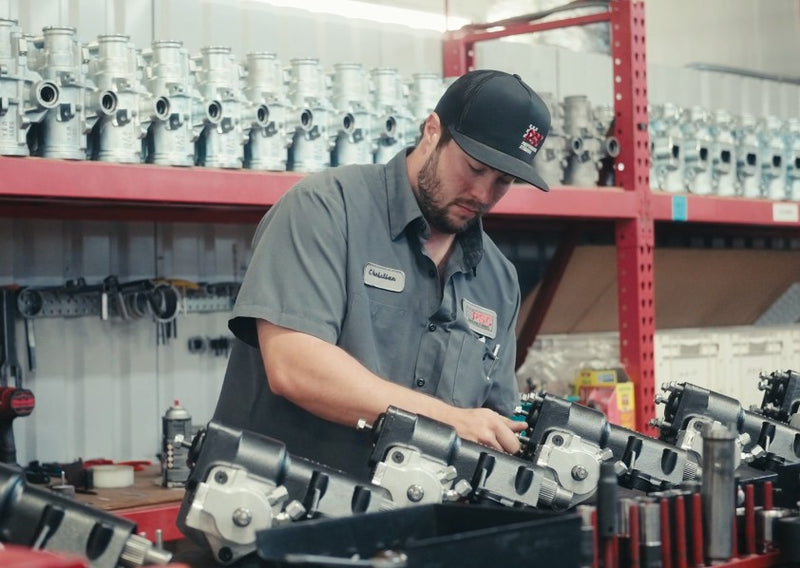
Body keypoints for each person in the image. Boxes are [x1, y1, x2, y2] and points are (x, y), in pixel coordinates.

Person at [213, 69, 552, 481]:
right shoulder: (325, 209)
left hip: (410, 516)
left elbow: (492, 425)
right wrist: (448, 421)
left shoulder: (498, 280)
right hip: (271, 506)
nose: (483, 194)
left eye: (504, 181)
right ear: (432, 131)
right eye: (475, 168)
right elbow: (293, 366)